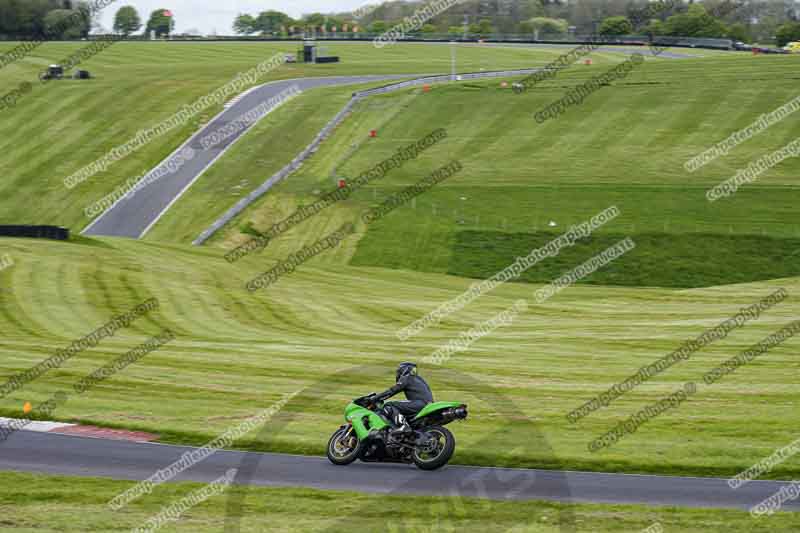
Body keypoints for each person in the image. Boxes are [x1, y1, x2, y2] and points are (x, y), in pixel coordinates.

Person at [374, 362, 433, 435]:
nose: (398, 373)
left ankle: (403, 426)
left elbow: (392, 391)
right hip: (428, 405)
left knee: (390, 405)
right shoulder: (420, 380)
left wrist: (375, 397)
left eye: (399, 371)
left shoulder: (407, 378)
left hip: (419, 403)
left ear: (404, 370)